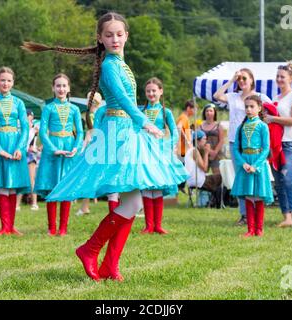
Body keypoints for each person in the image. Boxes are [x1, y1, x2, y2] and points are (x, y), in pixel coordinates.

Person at [22, 11, 188, 281]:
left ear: (127, 36)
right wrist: (145, 122)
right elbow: (122, 99)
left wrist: (140, 125)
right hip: (118, 133)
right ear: (99, 38)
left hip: (128, 132)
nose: (114, 39)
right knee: (131, 202)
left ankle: (110, 265)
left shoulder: (121, 63)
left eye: (119, 34)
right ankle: (90, 250)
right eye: (108, 35)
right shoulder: (111, 65)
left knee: (133, 203)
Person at [213, 68, 271, 226]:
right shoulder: (233, 97)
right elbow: (217, 96)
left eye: (244, 78)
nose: (242, 81)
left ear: (252, 79)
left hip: (255, 145)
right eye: (239, 79)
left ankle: (256, 216)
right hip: (235, 142)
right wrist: (231, 80)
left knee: (255, 177)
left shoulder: (261, 97)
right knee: (241, 177)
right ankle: (244, 215)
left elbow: (271, 111)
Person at [0, 66, 30, 236]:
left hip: (15, 144)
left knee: (13, 184)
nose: (5, 83)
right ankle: (4, 227)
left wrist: (20, 148)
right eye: (2, 80)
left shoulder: (19, 103)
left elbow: (25, 127)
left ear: (13, 82)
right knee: (2, 184)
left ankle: (12, 227)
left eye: (9, 80)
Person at [34, 73, 84, 236]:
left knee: (66, 187)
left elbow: (80, 131)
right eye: (58, 86)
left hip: (69, 150)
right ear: (53, 88)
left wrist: (76, 148)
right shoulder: (48, 108)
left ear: (69, 88)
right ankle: (51, 228)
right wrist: (53, 149)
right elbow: (42, 132)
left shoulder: (74, 109)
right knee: (52, 186)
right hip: (52, 150)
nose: (61, 89)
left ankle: (63, 228)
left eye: (64, 86)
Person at [263, 63, 292, 230]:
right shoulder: (275, 99)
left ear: (291, 79)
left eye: (282, 76)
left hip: (290, 144)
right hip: (275, 145)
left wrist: (272, 119)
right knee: (279, 181)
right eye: (278, 76)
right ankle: (286, 217)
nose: (279, 79)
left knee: (288, 179)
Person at [140, 77, 179, 235]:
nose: (151, 93)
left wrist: (167, 146)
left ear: (160, 92)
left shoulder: (166, 112)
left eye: (154, 90)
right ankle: (148, 225)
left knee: (157, 187)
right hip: (143, 152)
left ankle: (158, 225)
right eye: (148, 91)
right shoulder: (140, 111)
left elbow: (175, 132)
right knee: (147, 187)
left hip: (159, 153)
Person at [231, 95, 273, 237]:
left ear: (259, 108)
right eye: (246, 107)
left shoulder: (263, 126)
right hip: (245, 163)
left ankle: (259, 230)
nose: (248, 109)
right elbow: (236, 148)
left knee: (258, 196)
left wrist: (255, 165)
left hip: (257, 164)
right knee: (249, 196)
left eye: (252, 106)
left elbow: (266, 148)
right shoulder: (241, 127)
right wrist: (243, 163)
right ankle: (250, 229)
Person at [76, 91, 103, 216]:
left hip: (94, 148)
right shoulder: (91, 114)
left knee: (90, 177)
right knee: (90, 177)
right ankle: (84, 206)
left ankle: (85, 206)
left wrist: (84, 147)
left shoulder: (95, 114)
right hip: (93, 148)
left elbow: (91, 133)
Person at [16, 109, 39, 211]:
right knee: (21, 179)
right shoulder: (20, 129)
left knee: (31, 180)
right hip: (22, 154)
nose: (29, 118)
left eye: (30, 117)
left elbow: (34, 143)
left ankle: (34, 203)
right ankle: (17, 204)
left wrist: (35, 148)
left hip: (30, 155)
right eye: (27, 116)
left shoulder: (35, 129)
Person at [176, 100, 196, 193]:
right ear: (188, 108)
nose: (195, 112)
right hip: (182, 148)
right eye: (194, 109)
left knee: (183, 168)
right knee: (184, 168)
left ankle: (181, 186)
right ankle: (180, 186)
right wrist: (187, 141)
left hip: (183, 148)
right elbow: (179, 127)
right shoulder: (184, 117)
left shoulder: (185, 118)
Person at [200, 103, 224, 175]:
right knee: (202, 173)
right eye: (207, 111)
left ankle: (218, 186)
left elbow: (221, 140)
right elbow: (198, 140)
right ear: (204, 113)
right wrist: (208, 151)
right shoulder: (200, 126)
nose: (208, 113)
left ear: (214, 113)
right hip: (203, 153)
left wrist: (214, 152)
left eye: (211, 111)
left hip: (216, 154)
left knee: (217, 174)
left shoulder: (218, 126)